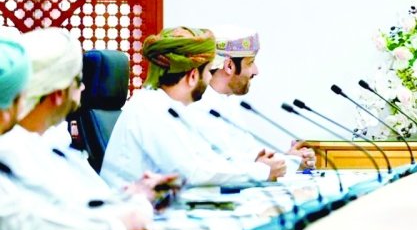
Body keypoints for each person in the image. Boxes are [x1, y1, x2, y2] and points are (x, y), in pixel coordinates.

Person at [0, 32, 147, 230]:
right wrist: (115, 226)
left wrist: (127, 199)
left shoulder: (47, 140)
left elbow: (72, 203)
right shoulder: (12, 149)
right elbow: (18, 226)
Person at [101, 26, 286, 189]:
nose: (209, 79)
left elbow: (208, 160)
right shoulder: (151, 108)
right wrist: (261, 171)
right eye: (208, 72)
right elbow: (192, 173)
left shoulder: (171, 107)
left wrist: (256, 165)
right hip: (134, 212)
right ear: (192, 76)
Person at [189, 25, 315, 169]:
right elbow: (224, 166)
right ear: (229, 66)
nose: (256, 71)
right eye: (250, 63)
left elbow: (249, 154)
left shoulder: (226, 100)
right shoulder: (198, 105)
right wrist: (289, 162)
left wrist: (288, 159)